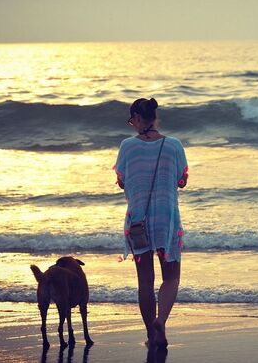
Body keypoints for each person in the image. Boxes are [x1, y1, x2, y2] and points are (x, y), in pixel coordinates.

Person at [113, 97, 188, 348]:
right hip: (166, 220)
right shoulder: (174, 145)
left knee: (145, 282)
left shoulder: (127, 146)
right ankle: (161, 323)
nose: (131, 124)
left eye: (131, 120)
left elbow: (122, 180)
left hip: (137, 221)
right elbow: (182, 180)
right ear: (155, 118)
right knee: (171, 278)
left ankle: (150, 334)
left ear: (136, 118)